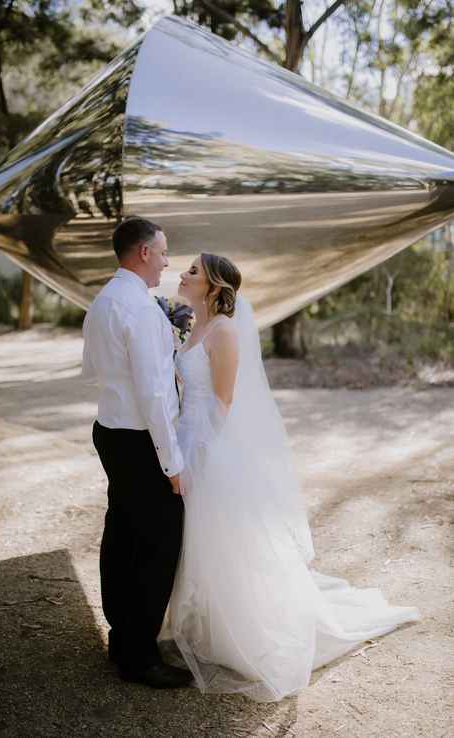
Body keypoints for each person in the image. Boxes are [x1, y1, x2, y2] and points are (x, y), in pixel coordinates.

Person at [166, 252, 419, 703]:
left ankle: (242, 629)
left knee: (225, 542)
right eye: (185, 269)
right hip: (187, 438)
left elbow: (223, 403)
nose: (183, 275)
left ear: (214, 287)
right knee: (197, 538)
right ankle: (204, 617)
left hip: (209, 448)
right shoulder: (194, 327)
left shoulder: (223, 332)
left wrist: (196, 456)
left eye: (192, 272)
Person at [82, 217, 193, 689]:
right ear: (144, 253)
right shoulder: (141, 311)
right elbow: (155, 397)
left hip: (109, 430)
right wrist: (172, 465)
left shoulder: (104, 301)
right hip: (140, 439)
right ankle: (141, 657)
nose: (168, 262)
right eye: (164, 252)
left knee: (122, 533)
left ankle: (122, 637)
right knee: (158, 545)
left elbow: (91, 370)